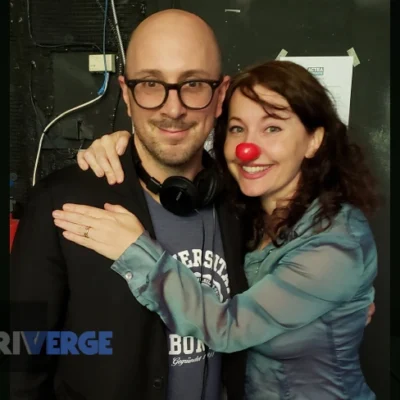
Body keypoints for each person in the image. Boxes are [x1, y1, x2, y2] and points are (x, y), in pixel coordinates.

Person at [53, 60, 379, 399]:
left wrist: (134, 249)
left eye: (272, 129)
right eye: (238, 129)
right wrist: (127, 146)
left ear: (314, 141)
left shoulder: (338, 242)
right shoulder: (246, 214)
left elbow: (227, 328)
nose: (248, 149)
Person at [10, 9, 249, 400]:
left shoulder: (243, 201)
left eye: (193, 84)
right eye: (151, 84)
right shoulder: (59, 202)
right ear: (126, 92)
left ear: (220, 95)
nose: (173, 109)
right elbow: (19, 355)